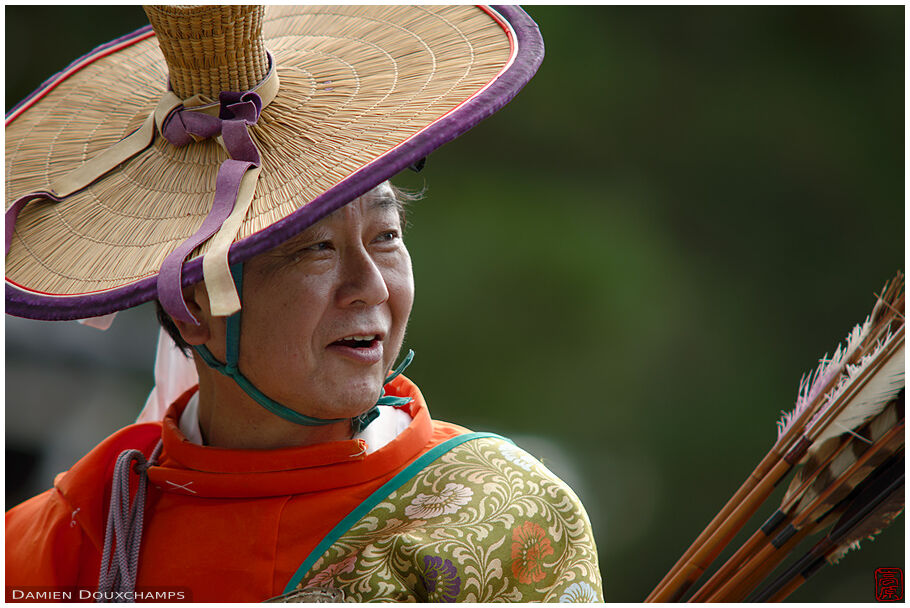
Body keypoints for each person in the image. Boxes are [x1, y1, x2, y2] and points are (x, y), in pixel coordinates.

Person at [5, 6, 603, 602]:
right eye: (316, 249)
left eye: (386, 236)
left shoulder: (496, 517)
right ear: (196, 306)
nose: (370, 286)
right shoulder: (75, 537)